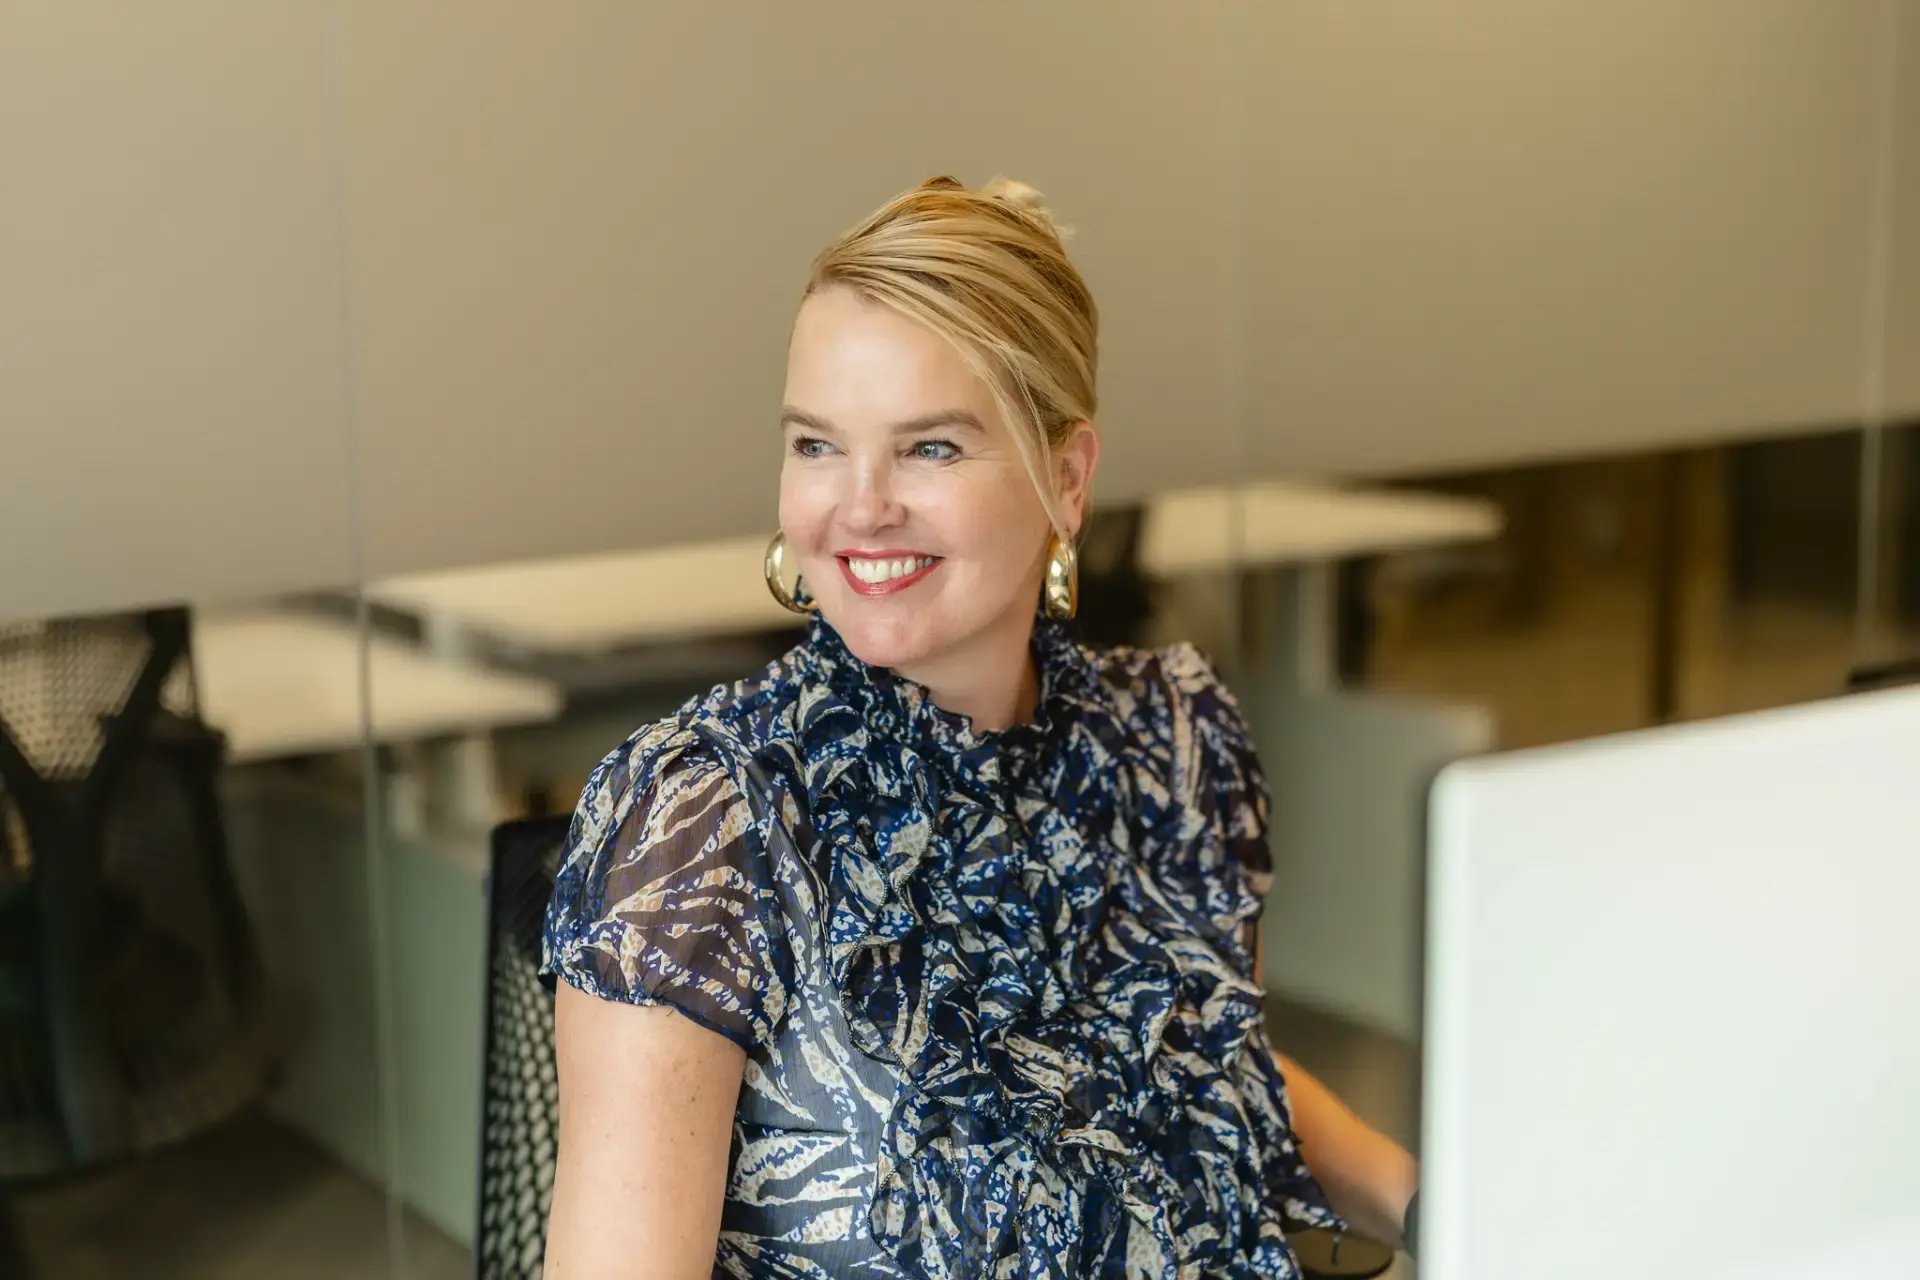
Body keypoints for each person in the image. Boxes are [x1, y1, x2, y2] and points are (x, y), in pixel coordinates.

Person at [541, 175, 1417, 1278]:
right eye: (817, 444)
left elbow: (1193, 1060)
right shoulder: (710, 817)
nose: (858, 507)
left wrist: (1437, 1195)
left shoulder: (1170, 744)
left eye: (931, 448)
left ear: (1068, 476)